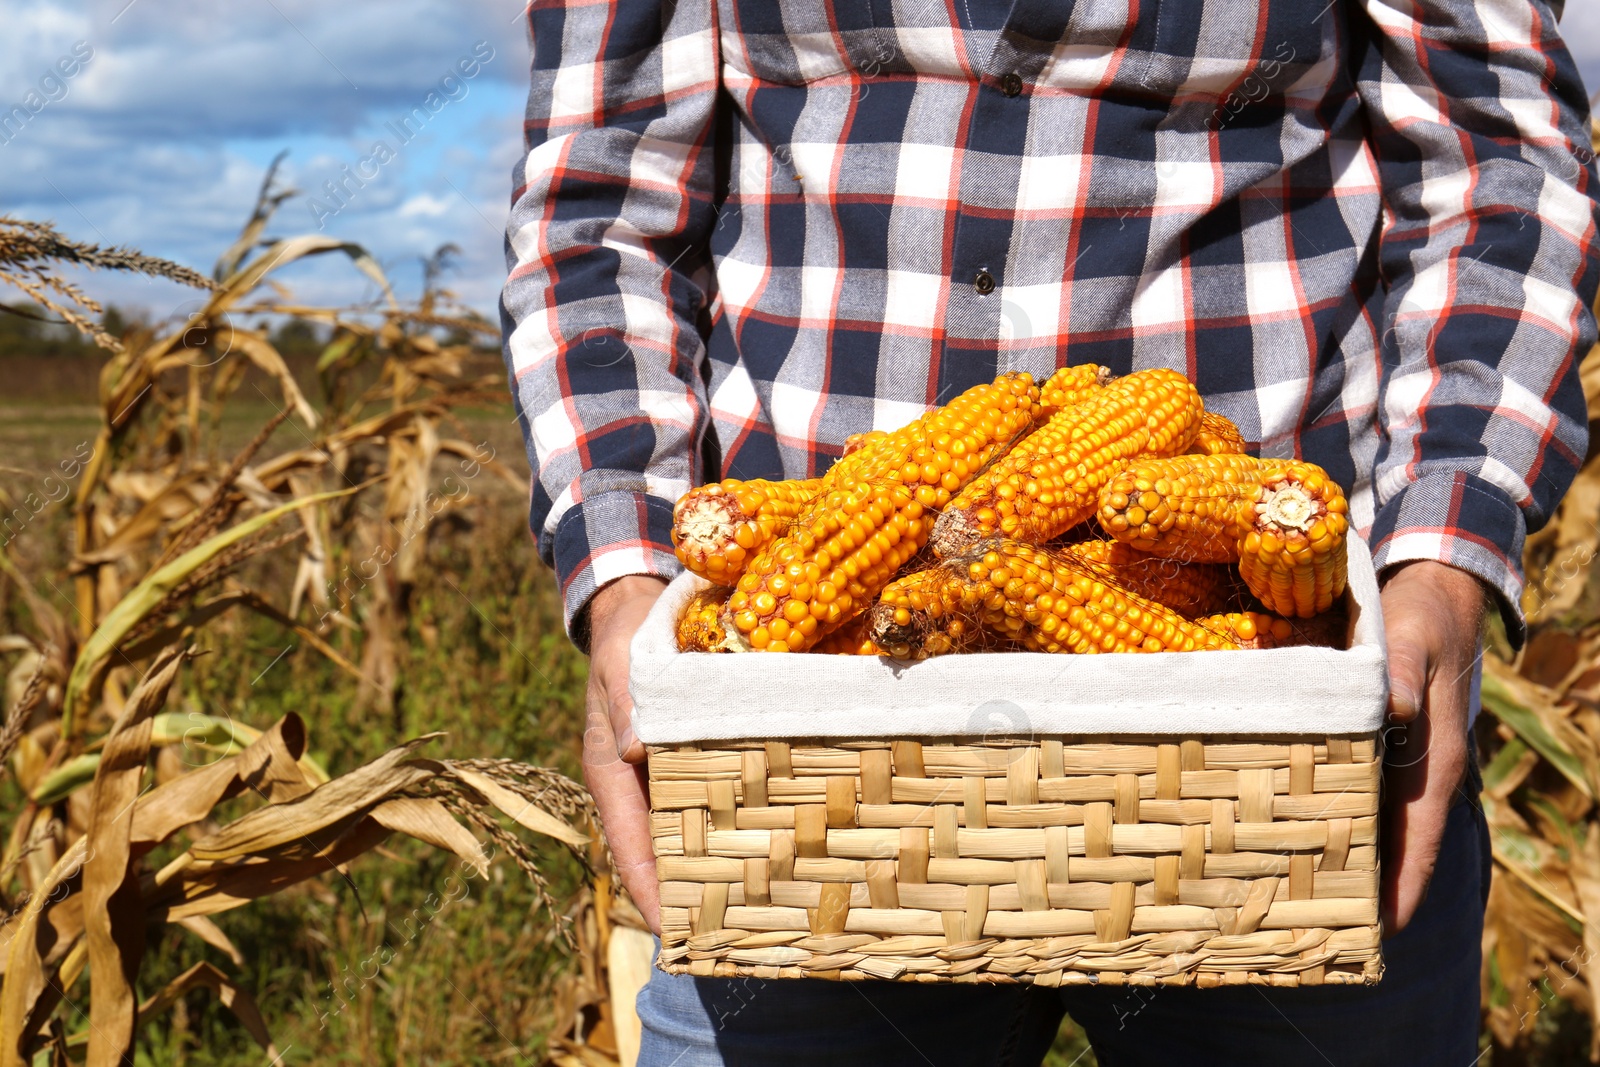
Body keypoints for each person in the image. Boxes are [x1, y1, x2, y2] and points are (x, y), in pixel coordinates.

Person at [501, 0, 1598, 1062]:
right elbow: (598, 211)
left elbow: (1499, 169)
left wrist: (1443, 561)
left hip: (1266, 707)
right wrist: (627, 582)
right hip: (803, 723)